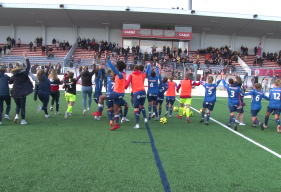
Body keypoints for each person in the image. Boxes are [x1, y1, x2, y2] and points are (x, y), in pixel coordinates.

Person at [92, 56, 127, 130]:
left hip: (117, 93)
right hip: (121, 94)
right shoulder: (123, 73)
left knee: (101, 97)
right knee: (115, 109)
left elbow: (113, 69)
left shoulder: (120, 75)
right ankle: (116, 124)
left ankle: (99, 112)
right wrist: (106, 63)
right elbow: (112, 68)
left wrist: (108, 60)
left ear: (118, 68)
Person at [9, 52, 33, 125]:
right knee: (22, 106)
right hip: (22, 93)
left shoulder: (13, 76)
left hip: (15, 92)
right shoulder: (24, 74)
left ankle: (16, 115)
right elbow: (28, 67)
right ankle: (22, 120)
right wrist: (26, 58)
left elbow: (10, 82)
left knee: (17, 106)